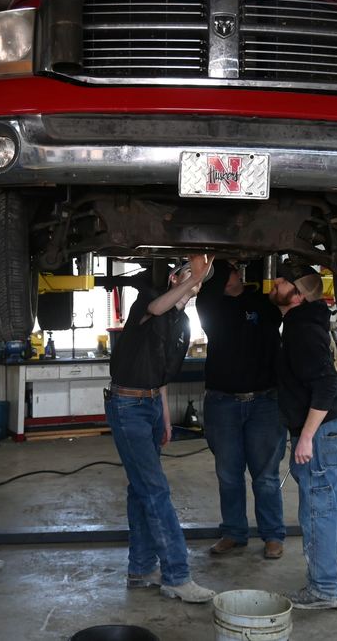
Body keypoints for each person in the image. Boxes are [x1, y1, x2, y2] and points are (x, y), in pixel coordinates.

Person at [106, 254, 217, 604]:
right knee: (155, 491)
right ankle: (176, 575)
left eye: (197, 283)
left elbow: (161, 371)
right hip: (128, 407)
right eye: (187, 279)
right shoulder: (146, 304)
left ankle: (140, 569)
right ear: (173, 280)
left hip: (151, 405)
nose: (194, 286)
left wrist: (165, 416)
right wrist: (190, 279)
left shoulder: (179, 322)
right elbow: (157, 307)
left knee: (141, 490)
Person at [270, 262, 337, 609]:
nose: (275, 284)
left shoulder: (300, 331)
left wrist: (306, 436)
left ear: (297, 295)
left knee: (317, 509)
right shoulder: (307, 322)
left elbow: (326, 385)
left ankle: (324, 588)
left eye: (281, 281)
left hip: (320, 431)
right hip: (329, 428)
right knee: (332, 503)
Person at [196, 260, 287, 559]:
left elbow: (282, 300)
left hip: (265, 402)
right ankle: (234, 533)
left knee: (266, 476)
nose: (239, 273)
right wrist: (209, 265)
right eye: (233, 270)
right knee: (229, 474)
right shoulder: (209, 307)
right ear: (222, 278)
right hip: (223, 403)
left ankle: (273, 536)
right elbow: (207, 285)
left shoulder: (262, 302)